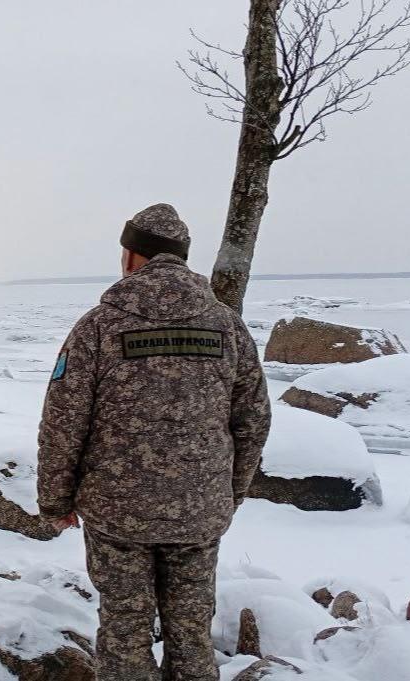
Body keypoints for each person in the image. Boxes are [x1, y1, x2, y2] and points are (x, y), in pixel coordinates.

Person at [35, 203, 272, 681]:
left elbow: (63, 421)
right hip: (198, 510)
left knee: (124, 628)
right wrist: (229, 492)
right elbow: (254, 420)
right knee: (190, 631)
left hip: (117, 512)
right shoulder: (227, 326)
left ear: (132, 256)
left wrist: (54, 501)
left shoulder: (98, 326)